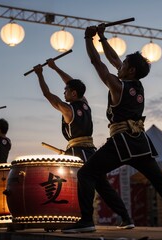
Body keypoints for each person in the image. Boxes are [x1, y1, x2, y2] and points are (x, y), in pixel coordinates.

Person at [61, 25, 162, 234]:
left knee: (87, 173)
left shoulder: (118, 86)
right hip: (140, 142)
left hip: (121, 141)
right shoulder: (136, 86)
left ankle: (86, 220)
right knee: (161, 183)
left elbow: (96, 61)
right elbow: (114, 59)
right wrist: (103, 38)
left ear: (131, 70)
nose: (119, 64)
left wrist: (88, 38)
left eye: (124, 64)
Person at [33, 59, 134, 230]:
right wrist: (55, 67)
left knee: (75, 186)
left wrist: (40, 74)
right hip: (92, 151)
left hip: (77, 152)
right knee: (102, 185)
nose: (64, 92)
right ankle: (126, 218)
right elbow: (72, 84)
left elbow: (48, 95)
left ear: (73, 94)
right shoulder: (85, 104)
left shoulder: (68, 109)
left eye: (66, 91)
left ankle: (84, 220)